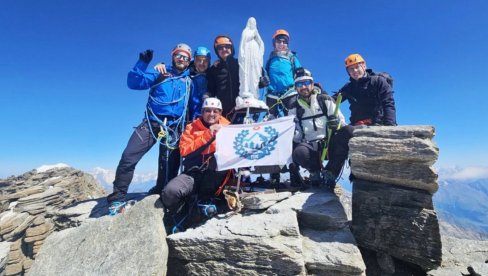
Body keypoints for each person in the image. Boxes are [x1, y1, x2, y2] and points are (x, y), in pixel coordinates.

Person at [107, 44, 194, 215]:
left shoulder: (190, 80)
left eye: (185, 57)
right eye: (178, 55)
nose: (181, 59)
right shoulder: (160, 73)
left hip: (174, 126)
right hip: (152, 122)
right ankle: (117, 198)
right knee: (128, 157)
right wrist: (142, 63)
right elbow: (134, 83)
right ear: (173, 57)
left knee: (168, 166)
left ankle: (163, 196)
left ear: (189, 60)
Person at [160, 97, 231, 231]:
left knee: (218, 158)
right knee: (169, 193)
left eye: (216, 111)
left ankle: (203, 202)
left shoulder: (228, 128)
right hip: (193, 173)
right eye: (207, 110)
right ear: (202, 112)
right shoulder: (191, 128)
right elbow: (184, 151)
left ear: (220, 113)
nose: (211, 114)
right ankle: (182, 209)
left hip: (214, 178)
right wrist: (209, 134)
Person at [288, 68, 353, 191]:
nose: (304, 87)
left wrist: (336, 124)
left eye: (306, 83)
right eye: (299, 84)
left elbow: (342, 122)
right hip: (310, 146)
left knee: (349, 131)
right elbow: (296, 135)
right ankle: (315, 172)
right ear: (295, 87)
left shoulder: (324, 99)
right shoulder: (294, 108)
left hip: (330, 142)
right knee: (298, 152)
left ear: (312, 84)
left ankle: (331, 172)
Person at [336, 53, 397, 126]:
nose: (354, 70)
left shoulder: (378, 81)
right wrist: (320, 92)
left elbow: (388, 103)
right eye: (351, 69)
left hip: (378, 123)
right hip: (356, 125)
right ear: (348, 72)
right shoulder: (348, 87)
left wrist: (390, 125)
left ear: (364, 66)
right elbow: (332, 100)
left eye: (357, 67)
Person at [155, 46, 212, 120]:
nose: (202, 63)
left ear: (209, 62)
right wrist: (162, 65)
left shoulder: (212, 74)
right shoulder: (186, 72)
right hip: (187, 115)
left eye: (205, 61)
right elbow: (175, 67)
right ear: (194, 61)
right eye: (199, 60)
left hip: (208, 113)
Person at [262, 29, 302, 118]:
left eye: (284, 42)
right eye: (279, 41)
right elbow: (265, 73)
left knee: (292, 117)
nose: (281, 44)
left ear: (287, 44)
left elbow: (300, 72)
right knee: (271, 117)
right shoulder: (270, 59)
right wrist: (263, 80)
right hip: (272, 93)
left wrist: (301, 73)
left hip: (289, 92)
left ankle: (295, 131)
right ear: (274, 43)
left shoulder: (292, 57)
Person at [207, 35, 240, 118]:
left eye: (227, 46)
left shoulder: (240, 64)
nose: (224, 49)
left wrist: (260, 82)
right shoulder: (213, 70)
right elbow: (211, 90)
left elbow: (251, 80)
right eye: (220, 48)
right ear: (217, 51)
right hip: (223, 113)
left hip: (242, 109)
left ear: (232, 48)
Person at [238, 17, 265, 100]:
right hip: (247, 53)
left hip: (255, 55)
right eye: (251, 22)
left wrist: (260, 53)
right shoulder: (245, 31)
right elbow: (243, 42)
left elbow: (261, 43)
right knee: (246, 71)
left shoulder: (256, 32)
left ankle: (254, 92)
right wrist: (242, 53)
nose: (253, 24)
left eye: (254, 22)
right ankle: (245, 90)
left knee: (254, 73)